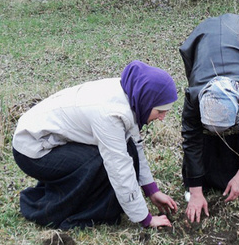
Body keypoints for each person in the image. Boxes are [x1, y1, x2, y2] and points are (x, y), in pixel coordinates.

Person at [12, 60, 179, 230]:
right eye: (160, 111)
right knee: (98, 163)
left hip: (53, 141)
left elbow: (136, 145)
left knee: (127, 149)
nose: (162, 118)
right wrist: (146, 219)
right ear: (147, 100)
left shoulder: (131, 94)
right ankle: (49, 210)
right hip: (33, 150)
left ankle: (88, 200)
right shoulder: (110, 113)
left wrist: (152, 191)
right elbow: (119, 168)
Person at [179, 13, 239, 223]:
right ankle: (202, 180)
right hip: (204, 41)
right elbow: (191, 140)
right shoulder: (195, 96)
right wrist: (194, 190)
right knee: (203, 133)